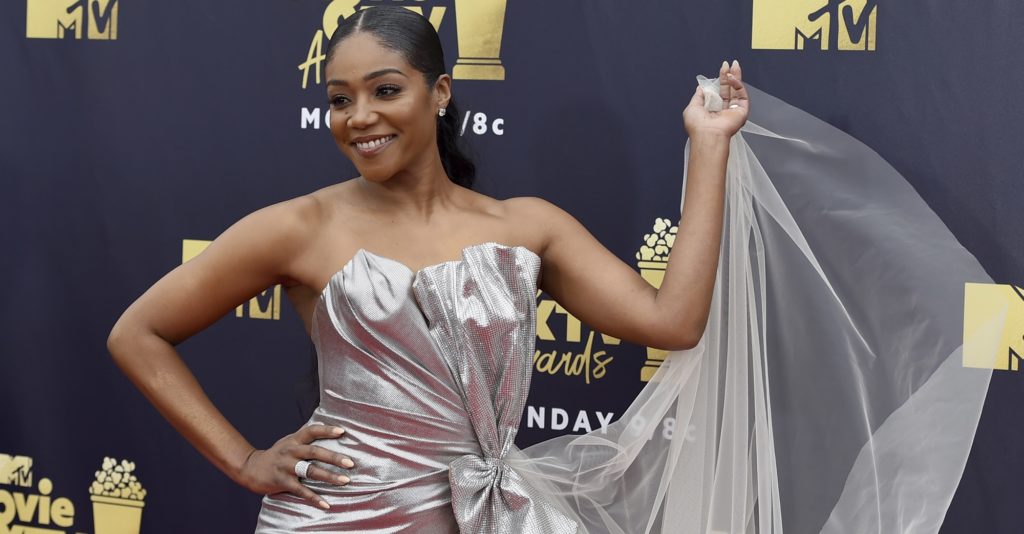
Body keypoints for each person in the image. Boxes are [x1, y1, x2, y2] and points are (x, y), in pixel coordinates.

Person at [106, 6, 748, 533]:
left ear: (439, 92)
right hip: (336, 520)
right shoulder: (299, 228)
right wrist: (245, 460)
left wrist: (708, 146)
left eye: (385, 89)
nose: (359, 116)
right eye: (339, 99)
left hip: (491, 517)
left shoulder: (527, 226)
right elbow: (137, 334)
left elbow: (674, 320)